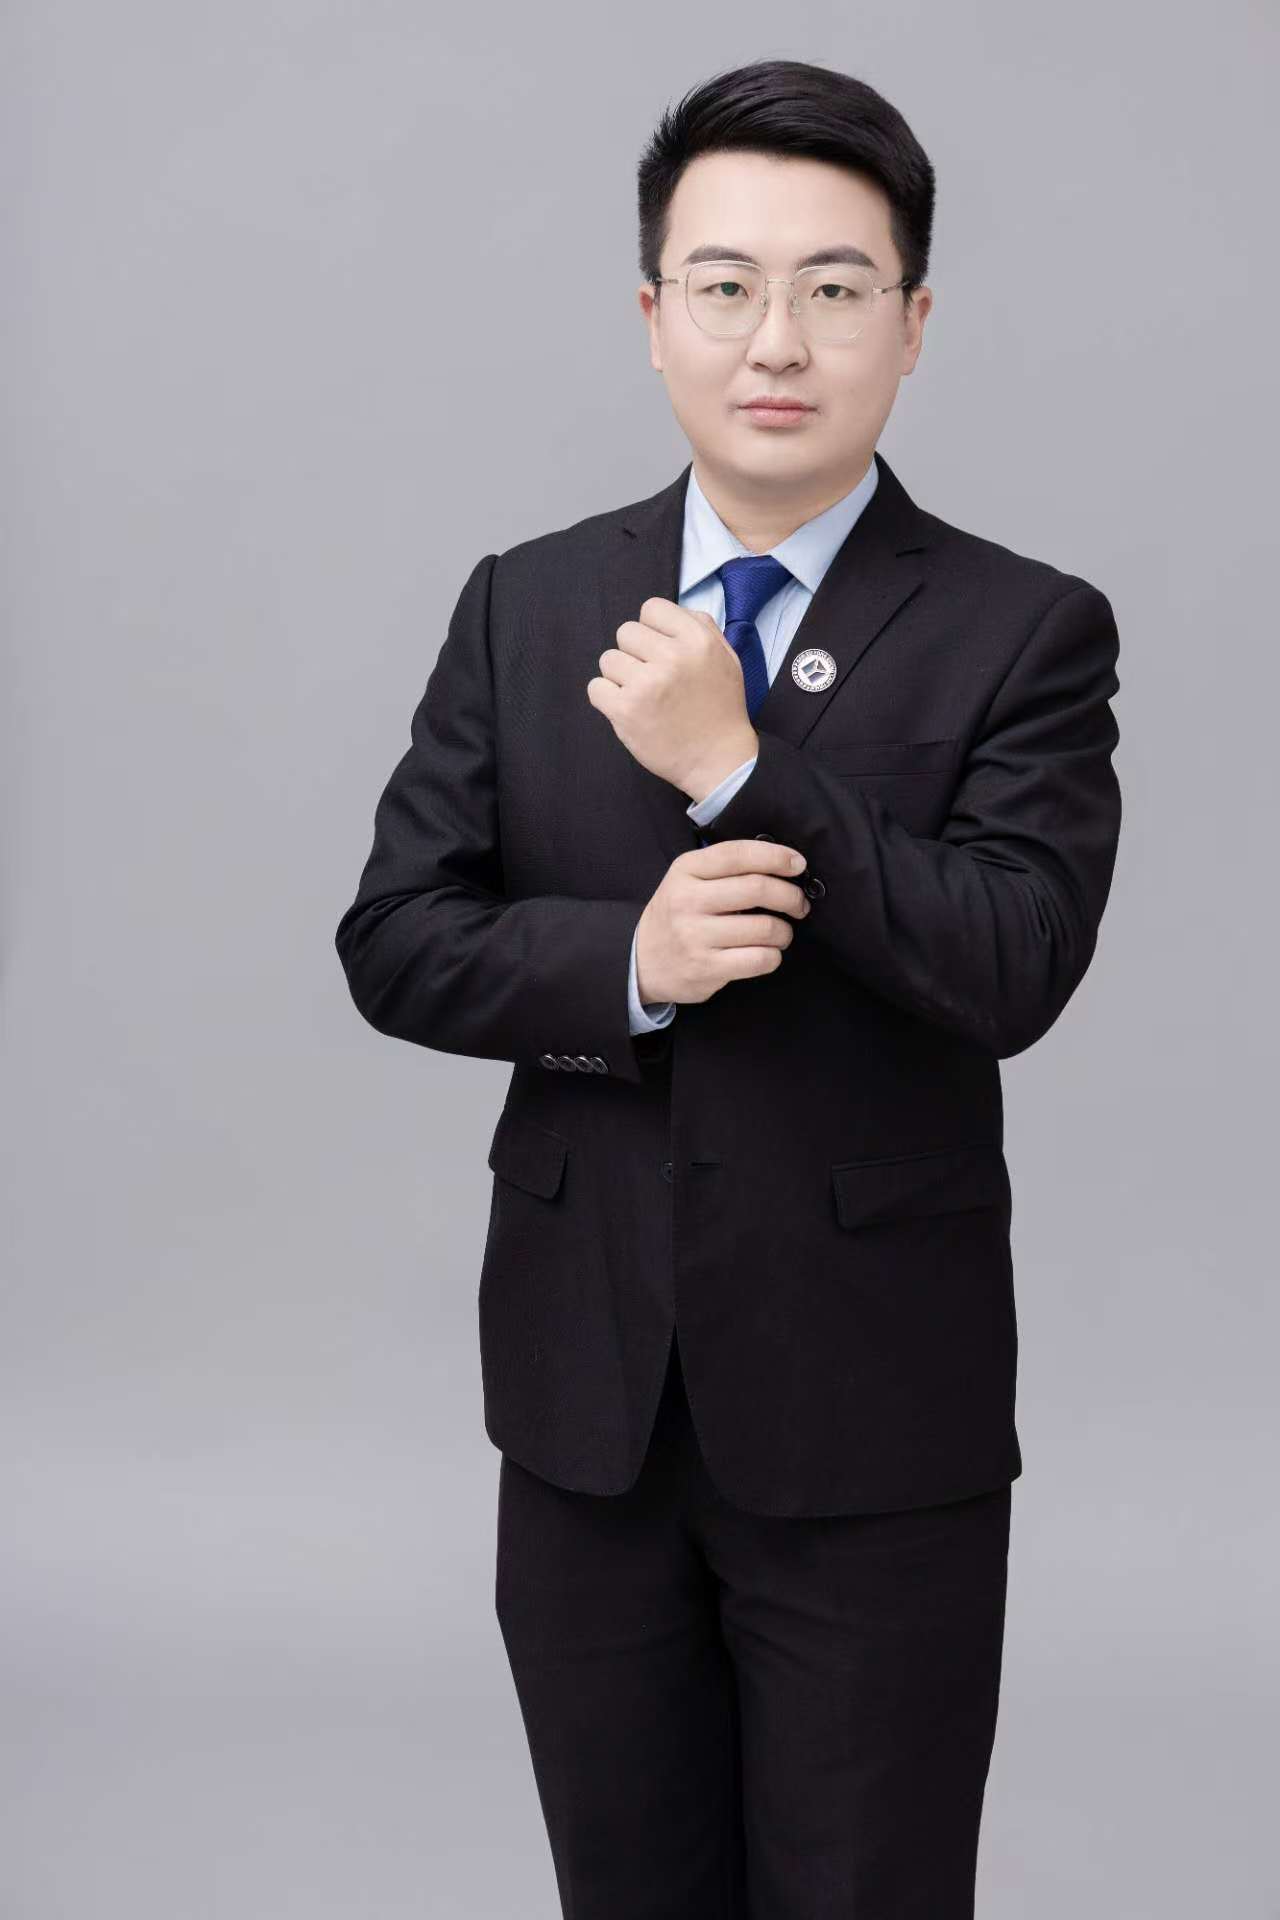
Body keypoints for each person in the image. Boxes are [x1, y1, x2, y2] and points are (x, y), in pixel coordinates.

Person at [334, 55, 1122, 1920]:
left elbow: (1014, 960)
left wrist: (744, 771)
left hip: (876, 1420)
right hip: (587, 1408)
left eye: (836, 287)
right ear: (652, 315)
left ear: (912, 325)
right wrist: (626, 961)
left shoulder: (1023, 625)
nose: (778, 339)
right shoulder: (527, 602)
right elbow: (396, 936)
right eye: (726, 285)